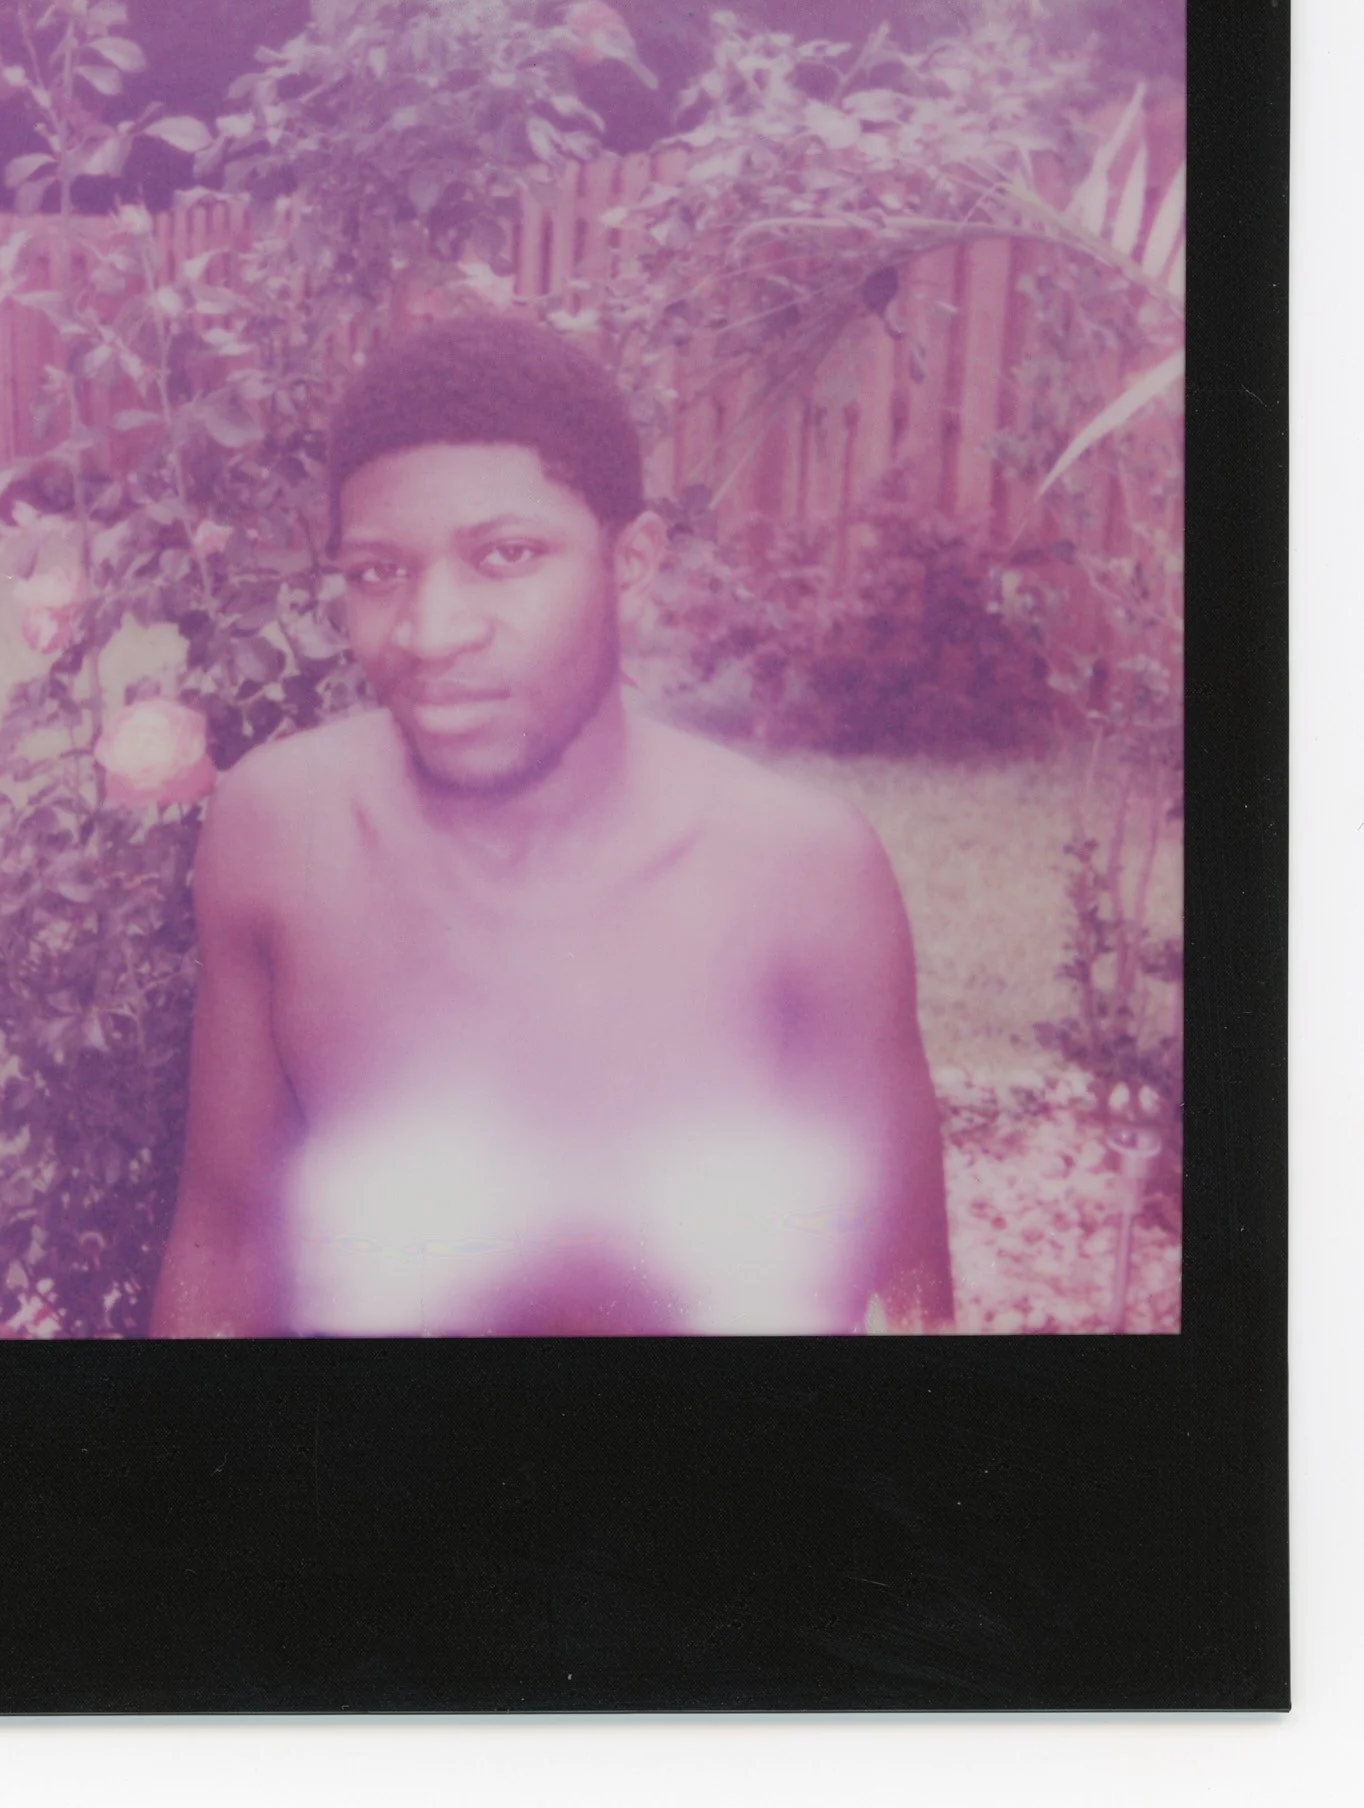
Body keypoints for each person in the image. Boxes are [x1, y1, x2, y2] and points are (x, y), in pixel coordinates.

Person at [150, 316, 953, 1338]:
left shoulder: (799, 873)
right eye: (378, 572)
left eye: (505, 555)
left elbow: (903, 1293)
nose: (431, 633)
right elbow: (226, 1238)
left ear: (632, 562)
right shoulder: (282, 835)